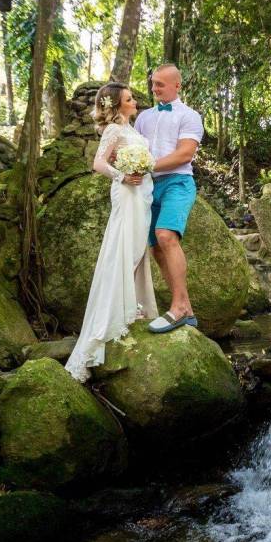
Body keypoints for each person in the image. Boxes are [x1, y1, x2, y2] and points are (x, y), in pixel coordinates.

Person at [65, 83, 159, 382]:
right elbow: (98, 163)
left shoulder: (132, 130)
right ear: (118, 106)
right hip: (127, 194)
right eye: (130, 99)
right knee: (124, 249)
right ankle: (117, 314)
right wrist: (123, 176)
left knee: (136, 250)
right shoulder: (114, 132)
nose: (135, 102)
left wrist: (144, 172)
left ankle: (132, 306)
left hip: (143, 195)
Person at [134, 64, 205, 333]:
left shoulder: (190, 116)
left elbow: (184, 154)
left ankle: (177, 307)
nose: (154, 89)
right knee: (155, 247)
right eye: (153, 83)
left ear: (177, 85)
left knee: (166, 235)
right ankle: (186, 308)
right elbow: (134, 149)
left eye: (160, 84)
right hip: (149, 188)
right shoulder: (143, 118)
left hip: (178, 183)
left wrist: (148, 165)